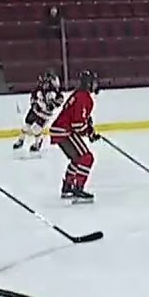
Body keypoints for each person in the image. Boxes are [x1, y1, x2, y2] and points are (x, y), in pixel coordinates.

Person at [50, 69, 100, 202]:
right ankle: (78, 188)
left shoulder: (79, 95)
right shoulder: (83, 97)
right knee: (87, 158)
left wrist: (88, 130)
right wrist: (88, 131)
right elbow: (77, 125)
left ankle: (67, 187)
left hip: (61, 130)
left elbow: (80, 122)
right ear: (88, 84)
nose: (96, 84)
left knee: (77, 159)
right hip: (64, 131)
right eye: (93, 82)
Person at [13, 70, 64, 153]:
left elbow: (60, 100)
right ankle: (21, 140)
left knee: (36, 129)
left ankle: (37, 144)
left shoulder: (55, 92)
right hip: (35, 110)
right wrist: (34, 105)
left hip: (45, 114)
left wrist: (53, 105)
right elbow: (33, 97)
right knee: (26, 126)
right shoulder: (39, 88)